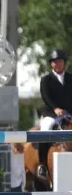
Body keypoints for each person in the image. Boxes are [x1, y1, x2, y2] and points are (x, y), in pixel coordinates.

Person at [37, 48, 72, 179]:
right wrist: (56, 108)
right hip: (52, 114)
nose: (57, 64)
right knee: (45, 129)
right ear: (51, 64)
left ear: (64, 63)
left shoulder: (70, 78)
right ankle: (42, 164)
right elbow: (45, 96)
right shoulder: (46, 79)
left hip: (69, 113)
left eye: (60, 61)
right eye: (55, 62)